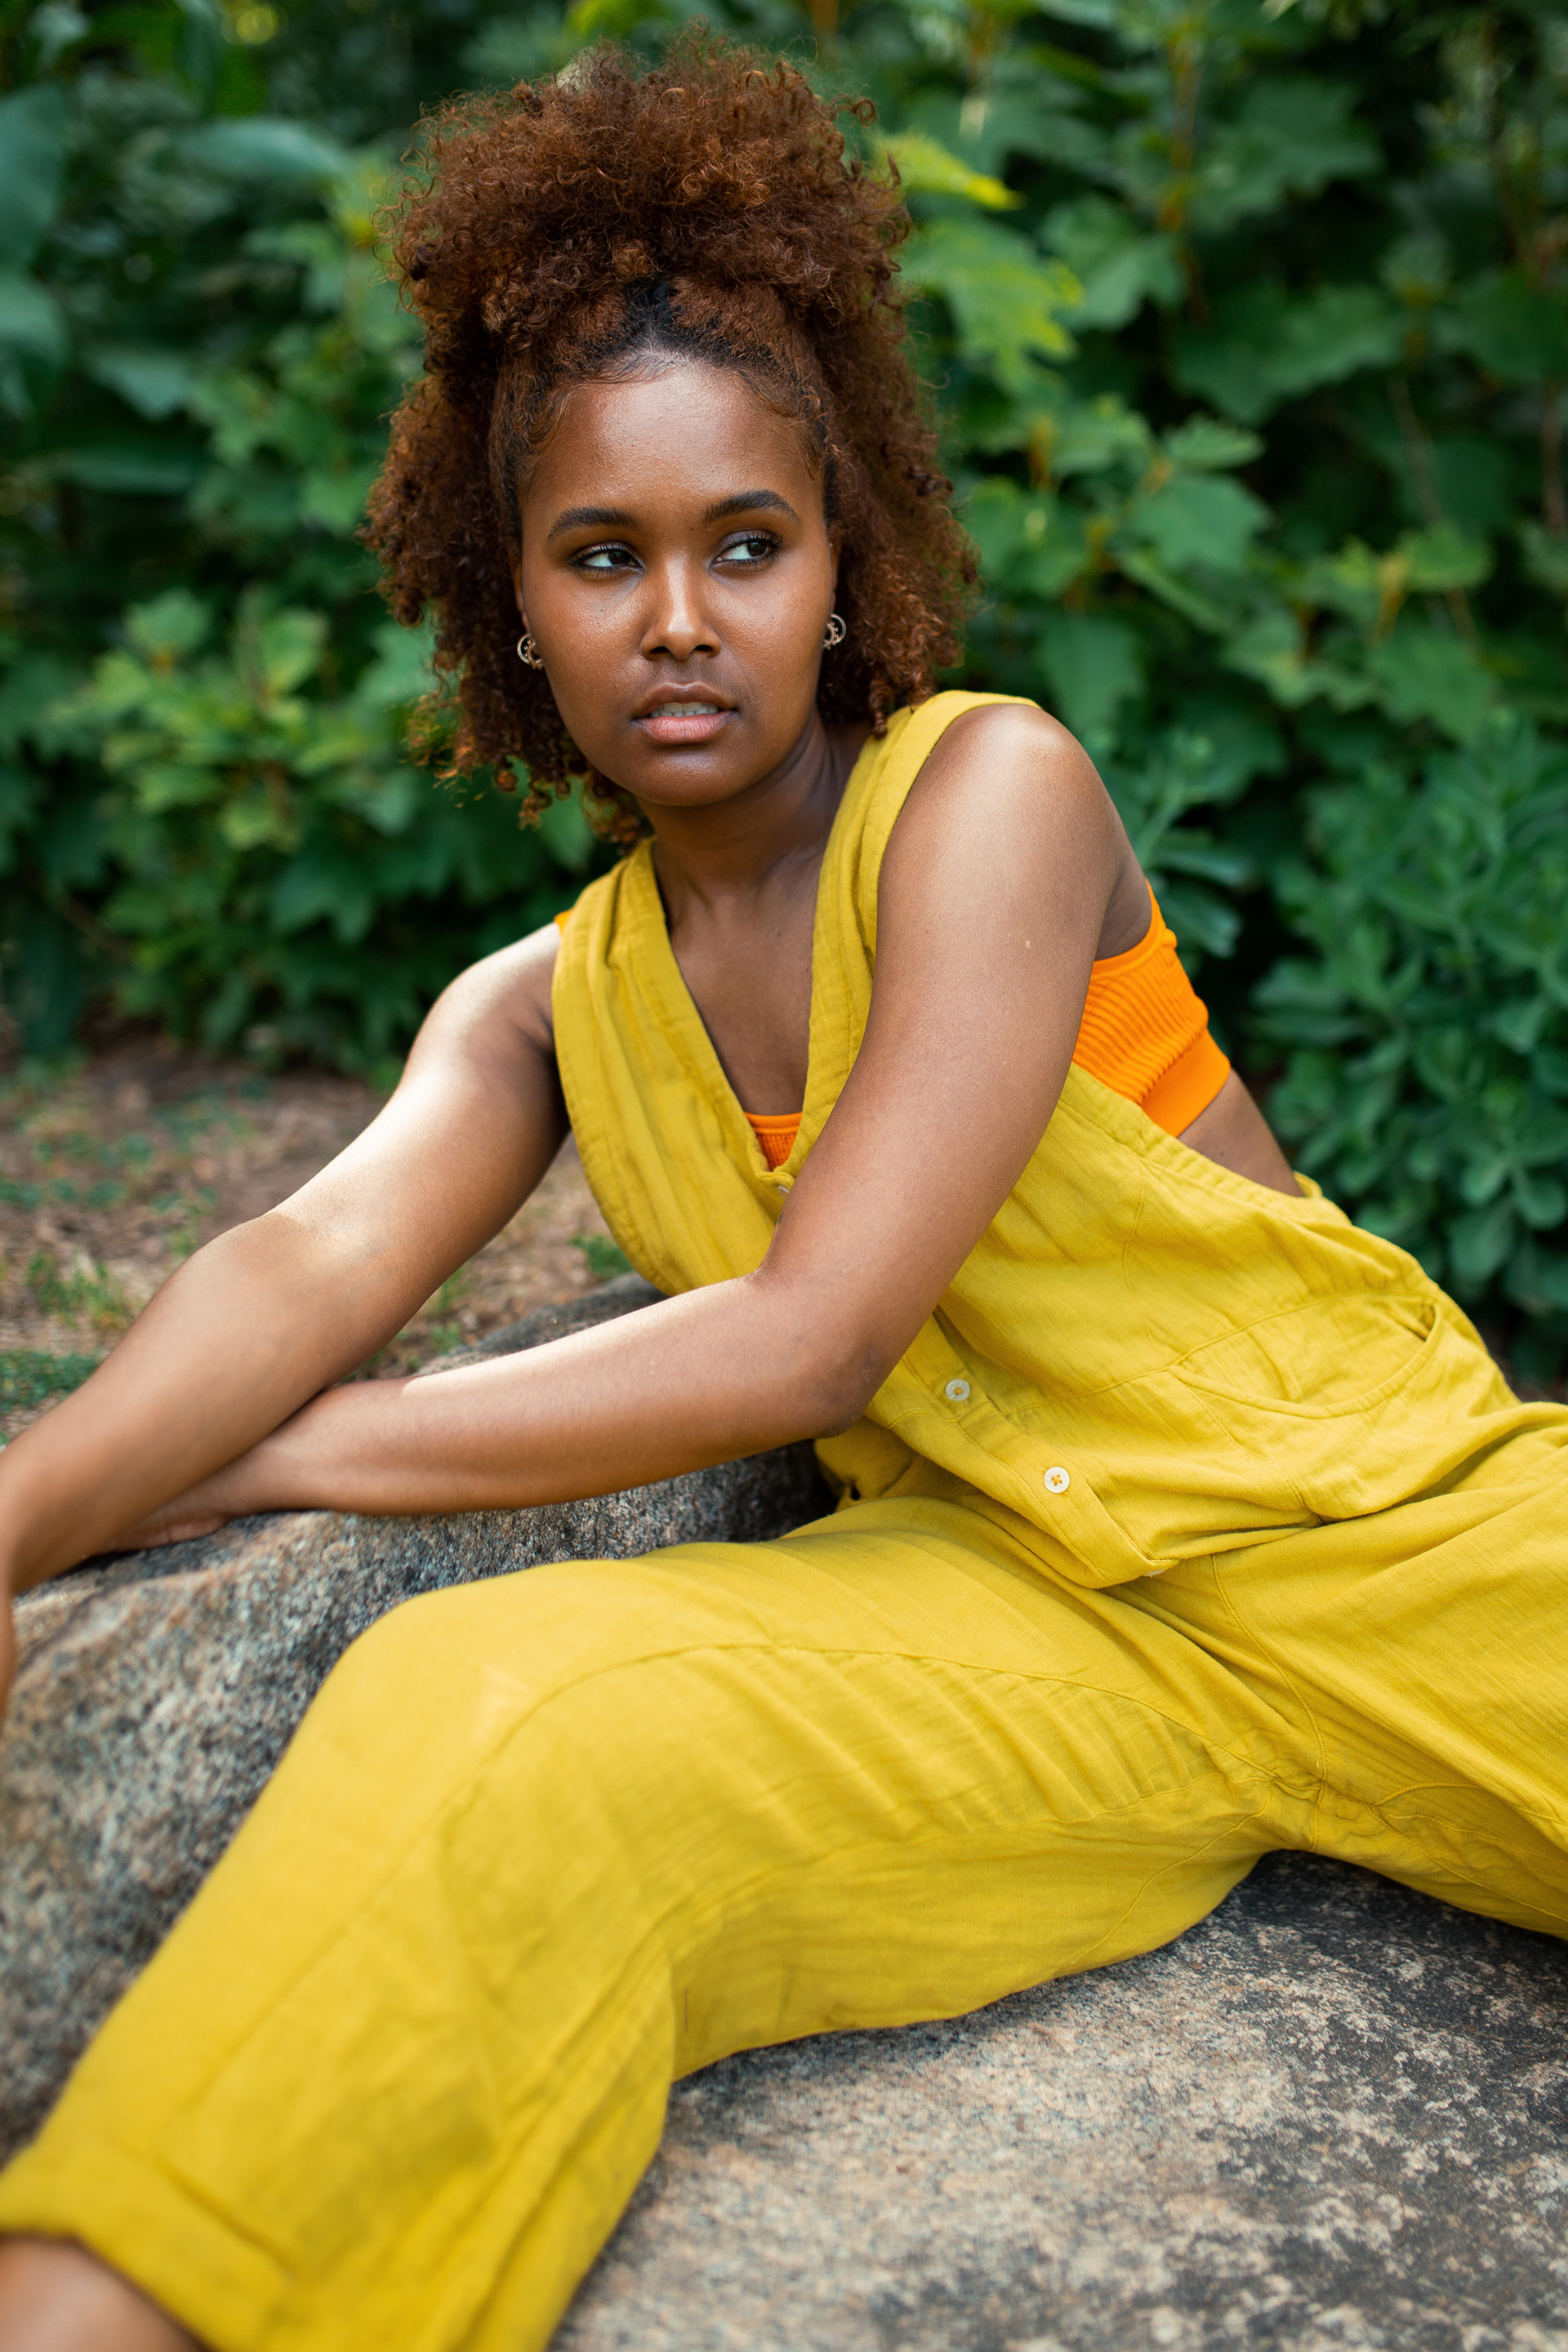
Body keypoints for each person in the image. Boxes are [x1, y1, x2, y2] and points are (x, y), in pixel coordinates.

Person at [0, 33, 1563, 2351]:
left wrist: (270, 1463)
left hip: (1381, 1526)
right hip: (1015, 1630)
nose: (678, 616)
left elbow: (812, 1336)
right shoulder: (551, 1004)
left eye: (747, 544)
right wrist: (27, 1522)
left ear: (841, 566)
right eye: (601, 557)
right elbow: (310, 1251)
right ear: (510, 602)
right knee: (499, 1710)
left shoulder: (988, 797)